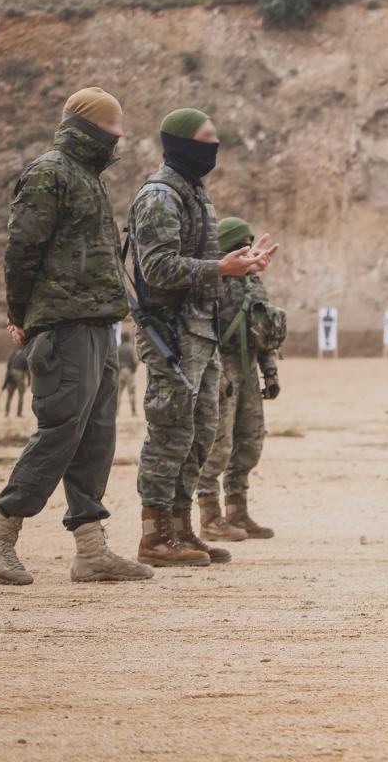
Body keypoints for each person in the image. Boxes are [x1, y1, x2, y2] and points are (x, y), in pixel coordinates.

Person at [0, 86, 150, 585]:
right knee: (59, 432)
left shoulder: (87, 177)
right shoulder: (50, 173)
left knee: (95, 436)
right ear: (93, 127)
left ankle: (91, 551)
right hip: (64, 323)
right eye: (114, 124)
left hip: (97, 321)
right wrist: (19, 312)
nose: (120, 133)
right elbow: (21, 249)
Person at [129, 107, 272, 567]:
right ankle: (154, 535)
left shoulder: (194, 193)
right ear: (184, 142)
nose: (215, 144)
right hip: (171, 333)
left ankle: (182, 528)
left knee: (201, 432)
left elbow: (200, 264)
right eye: (207, 137)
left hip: (200, 333)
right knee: (170, 432)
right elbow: (156, 268)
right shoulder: (160, 196)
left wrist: (240, 266)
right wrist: (220, 267)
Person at [198, 217, 285, 542]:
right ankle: (210, 516)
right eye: (240, 245)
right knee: (219, 444)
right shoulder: (212, 282)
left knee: (250, 441)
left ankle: (238, 511)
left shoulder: (253, 282)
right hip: (223, 366)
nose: (247, 251)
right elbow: (202, 331)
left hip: (248, 368)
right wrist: (214, 372)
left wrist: (270, 371)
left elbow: (262, 329)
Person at [2, 345, 30, 418]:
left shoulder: (13, 351)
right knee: (21, 395)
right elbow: (28, 368)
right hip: (21, 374)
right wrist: (29, 380)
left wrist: (7, 376)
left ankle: (7, 412)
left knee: (9, 395)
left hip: (11, 373)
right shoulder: (26, 352)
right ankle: (19, 413)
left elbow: (8, 364)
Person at [117, 326, 138, 415]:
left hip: (120, 372)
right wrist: (133, 370)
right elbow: (135, 361)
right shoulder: (131, 348)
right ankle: (133, 412)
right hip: (129, 372)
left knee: (118, 394)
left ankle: (116, 412)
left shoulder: (118, 348)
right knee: (131, 393)